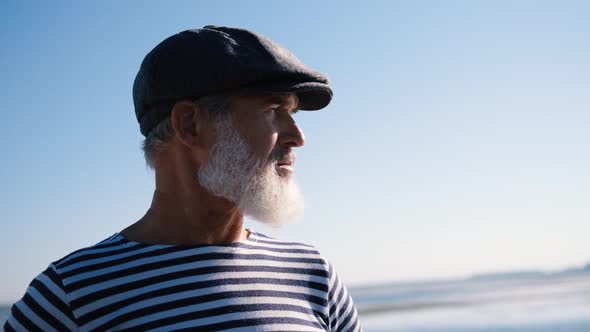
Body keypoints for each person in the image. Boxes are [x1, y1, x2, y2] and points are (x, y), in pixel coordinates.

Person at [4, 25, 361, 332]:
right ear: (190, 124)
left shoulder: (313, 274)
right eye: (273, 111)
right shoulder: (72, 293)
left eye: (293, 113)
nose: (298, 136)